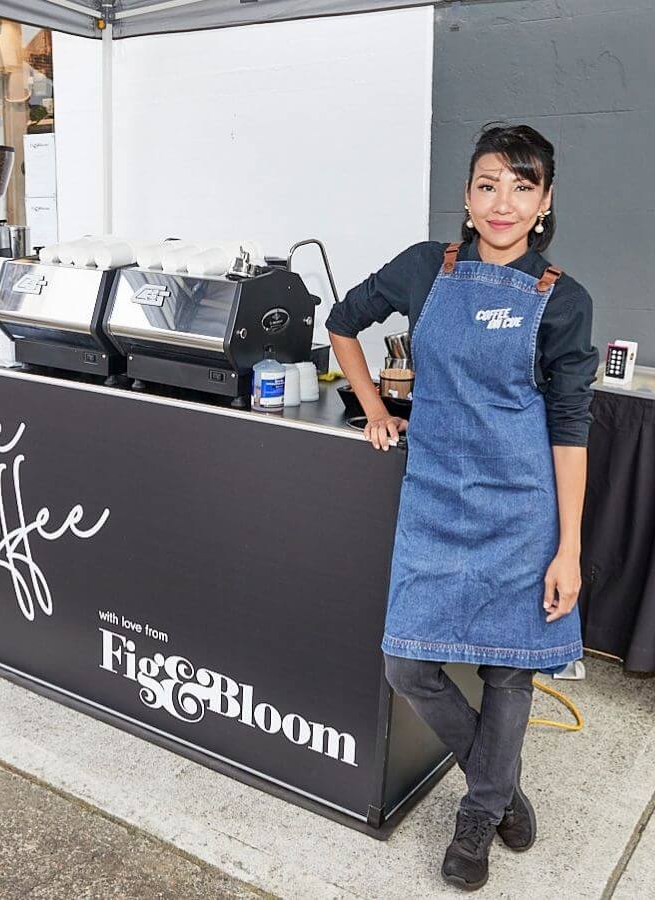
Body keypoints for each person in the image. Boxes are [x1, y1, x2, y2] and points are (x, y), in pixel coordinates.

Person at [325, 123, 598, 891]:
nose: (502, 202)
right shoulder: (425, 269)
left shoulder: (563, 299)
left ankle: (477, 816)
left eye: (521, 186)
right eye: (487, 185)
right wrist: (374, 408)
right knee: (406, 662)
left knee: (507, 673)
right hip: (437, 496)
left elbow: (570, 426)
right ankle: (502, 787)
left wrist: (568, 547)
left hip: (521, 508)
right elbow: (342, 321)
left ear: (544, 202)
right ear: (467, 197)